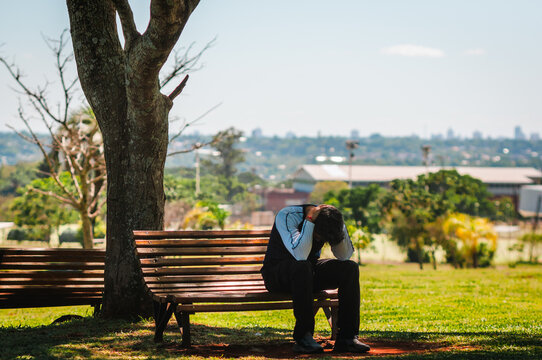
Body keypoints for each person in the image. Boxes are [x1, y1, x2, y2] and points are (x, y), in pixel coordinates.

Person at [260, 204, 371, 354]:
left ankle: (347, 338)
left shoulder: (328, 221)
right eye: (319, 236)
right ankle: (304, 338)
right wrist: (310, 221)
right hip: (277, 275)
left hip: (306, 273)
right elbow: (300, 255)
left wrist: (339, 224)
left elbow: (343, 255)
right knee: (302, 266)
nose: (320, 240)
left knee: (349, 268)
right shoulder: (287, 215)